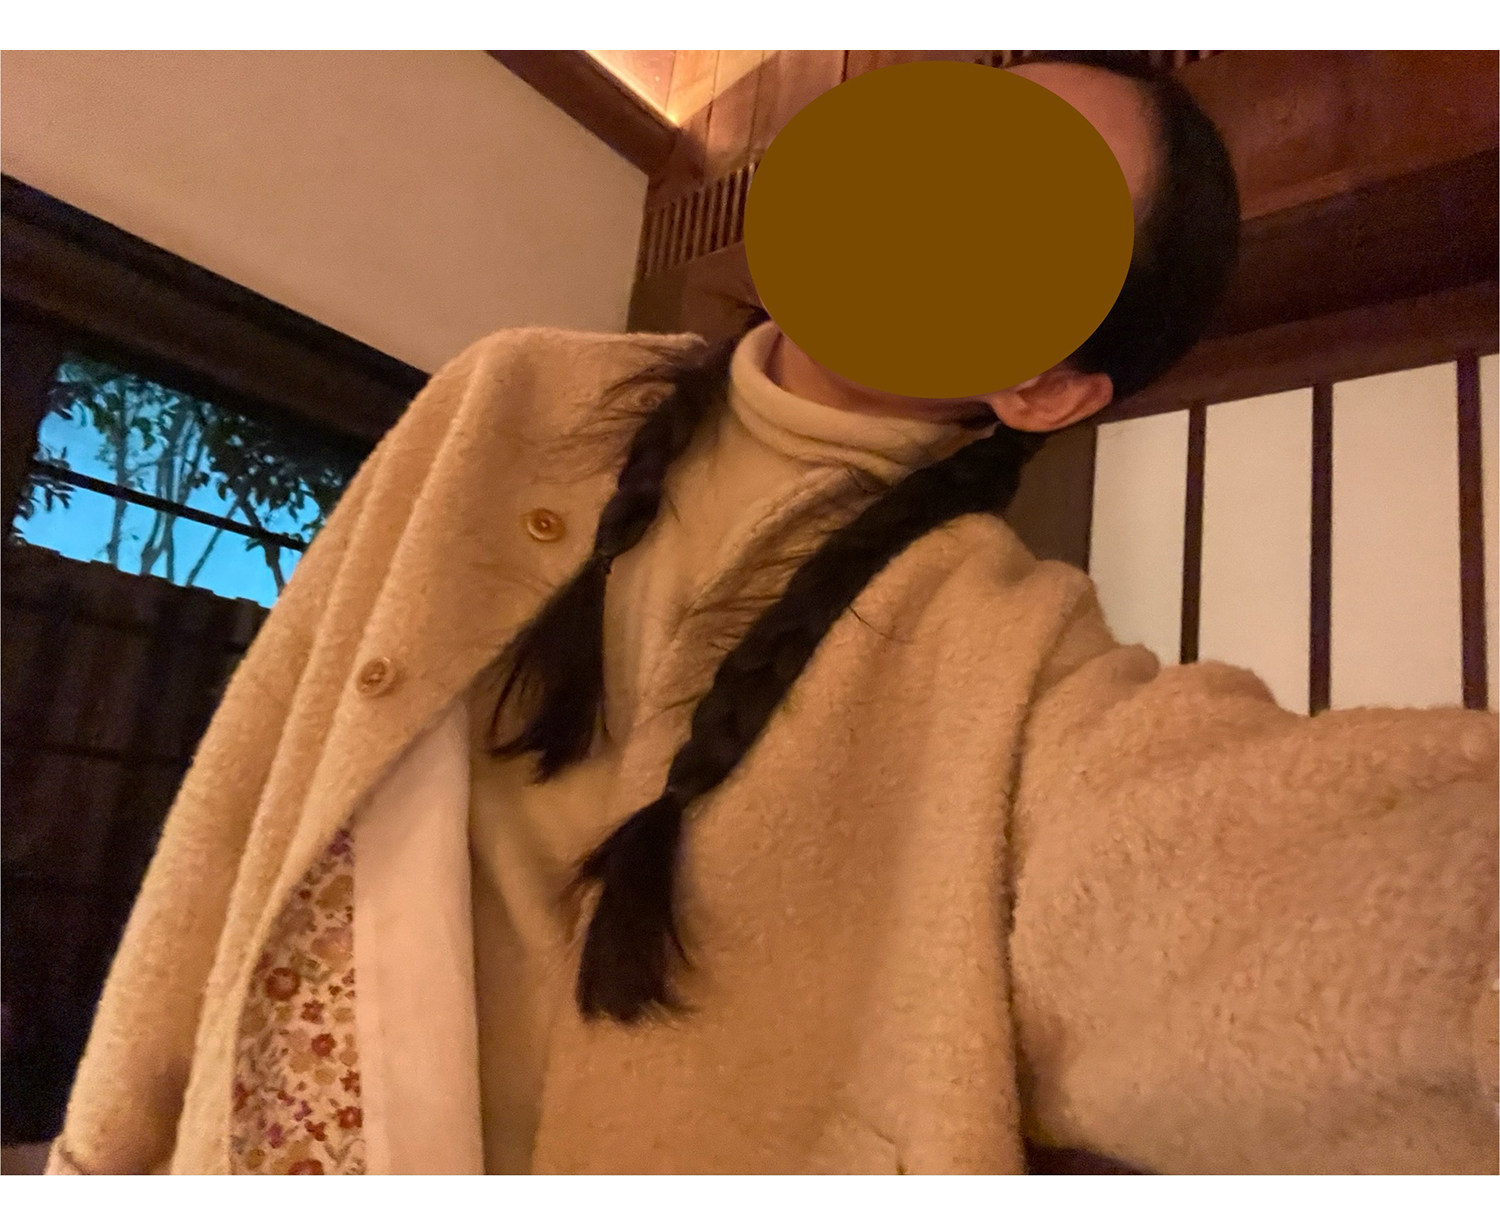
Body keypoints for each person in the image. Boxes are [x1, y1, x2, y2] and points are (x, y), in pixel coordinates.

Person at [47, 52, 1497, 1177]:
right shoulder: (509, 396)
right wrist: (102, 1152)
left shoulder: (1014, 649)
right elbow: (251, 783)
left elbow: (1242, 880)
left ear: (1046, 388)